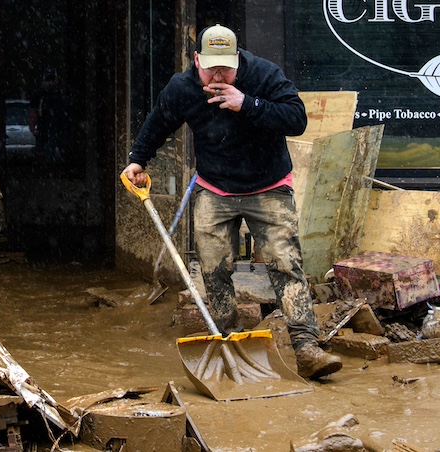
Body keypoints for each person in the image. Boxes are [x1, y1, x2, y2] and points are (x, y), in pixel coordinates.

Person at [122, 24, 343, 380]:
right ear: (197, 60)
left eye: (226, 66)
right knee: (214, 269)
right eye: (211, 67)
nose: (219, 74)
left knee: (285, 265)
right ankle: (233, 341)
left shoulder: (263, 75)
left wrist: (248, 103)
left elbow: (297, 119)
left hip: (268, 185)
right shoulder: (183, 87)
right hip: (215, 188)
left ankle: (306, 348)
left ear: (238, 59)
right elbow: (159, 121)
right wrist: (137, 159)